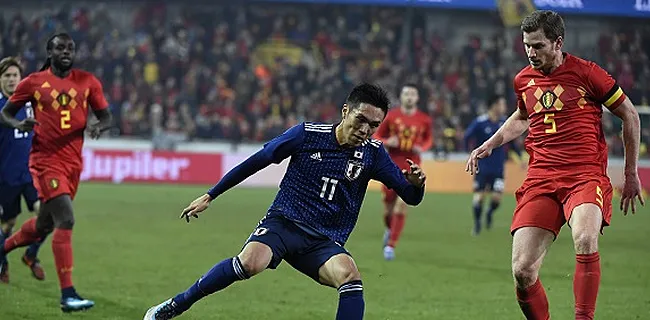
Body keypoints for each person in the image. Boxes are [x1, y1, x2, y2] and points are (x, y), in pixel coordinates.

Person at [144, 83, 427, 320]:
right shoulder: (306, 135)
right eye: (361, 120)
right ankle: (175, 305)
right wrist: (210, 195)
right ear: (345, 111)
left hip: (323, 242)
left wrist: (417, 186)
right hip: (284, 224)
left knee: (350, 277)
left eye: (374, 126)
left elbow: (410, 197)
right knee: (250, 263)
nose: (366, 130)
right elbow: (257, 161)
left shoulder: (373, 154)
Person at [466, 10, 644, 320]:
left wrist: (630, 173)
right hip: (541, 178)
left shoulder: (588, 74)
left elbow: (630, 114)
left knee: (586, 239)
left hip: (584, 175)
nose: (531, 53)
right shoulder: (523, 80)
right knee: (522, 270)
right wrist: (490, 143)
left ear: (558, 42)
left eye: (538, 46)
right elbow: (522, 117)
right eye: (527, 46)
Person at [0, 33, 113, 312]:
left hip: (72, 164)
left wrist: (99, 126)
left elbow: (106, 115)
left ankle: (2, 249)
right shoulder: (34, 83)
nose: (66, 51)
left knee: (43, 226)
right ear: (49, 52)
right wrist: (18, 122)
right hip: (44, 161)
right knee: (66, 219)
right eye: (60, 47)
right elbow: (6, 113)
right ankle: (68, 294)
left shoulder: (88, 82)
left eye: (70, 48)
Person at [0, 57, 47, 283]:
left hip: (30, 175)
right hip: (6, 177)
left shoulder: (29, 104)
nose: (11, 80)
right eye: (6, 76)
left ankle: (31, 255)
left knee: (47, 215)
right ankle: (3, 262)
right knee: (7, 224)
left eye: (14, 76)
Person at [373, 83, 432, 260]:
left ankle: (390, 246)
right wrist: (386, 141)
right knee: (388, 209)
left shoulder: (424, 119)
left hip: (412, 164)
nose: (409, 97)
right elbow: (376, 135)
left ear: (417, 98)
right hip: (391, 164)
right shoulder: (391, 117)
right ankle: (389, 230)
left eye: (412, 94)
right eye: (406, 94)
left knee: (401, 205)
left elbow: (428, 140)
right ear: (401, 96)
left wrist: (422, 146)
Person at [463, 94, 523, 235]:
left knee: (497, 199)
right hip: (482, 167)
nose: (504, 107)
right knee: (479, 197)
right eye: (501, 104)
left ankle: (489, 212)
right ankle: (477, 223)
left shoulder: (504, 123)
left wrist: (519, 158)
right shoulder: (480, 122)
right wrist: (469, 152)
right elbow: (467, 136)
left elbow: (512, 143)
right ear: (494, 105)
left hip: (498, 168)